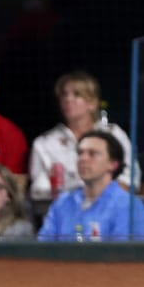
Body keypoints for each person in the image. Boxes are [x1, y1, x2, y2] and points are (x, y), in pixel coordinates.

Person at [29, 70, 132, 198]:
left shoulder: (114, 135)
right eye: (64, 94)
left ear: (93, 103)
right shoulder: (45, 143)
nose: (68, 99)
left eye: (77, 94)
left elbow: (129, 179)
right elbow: (39, 192)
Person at [38, 130, 144, 240]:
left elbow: (126, 256)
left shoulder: (129, 207)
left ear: (113, 164)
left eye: (92, 154)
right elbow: (42, 250)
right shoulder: (62, 203)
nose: (83, 159)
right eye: (80, 153)